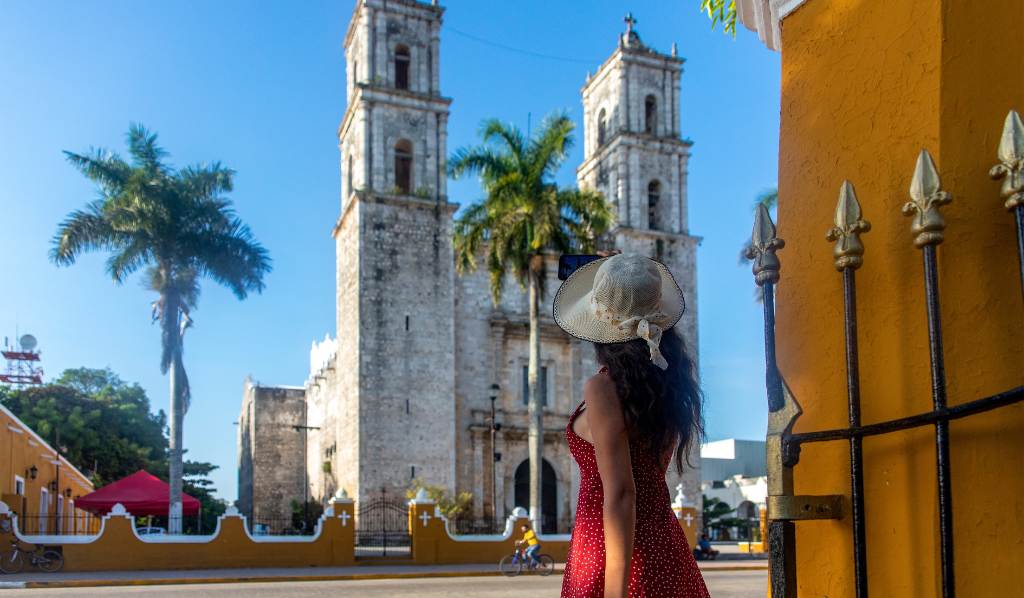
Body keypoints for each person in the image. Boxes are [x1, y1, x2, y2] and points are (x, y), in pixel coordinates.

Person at [553, 253, 709, 598]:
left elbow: (623, 493)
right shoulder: (666, 383)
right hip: (664, 548)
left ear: (600, 322)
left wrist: (615, 592)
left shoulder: (603, 388)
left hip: (613, 555)